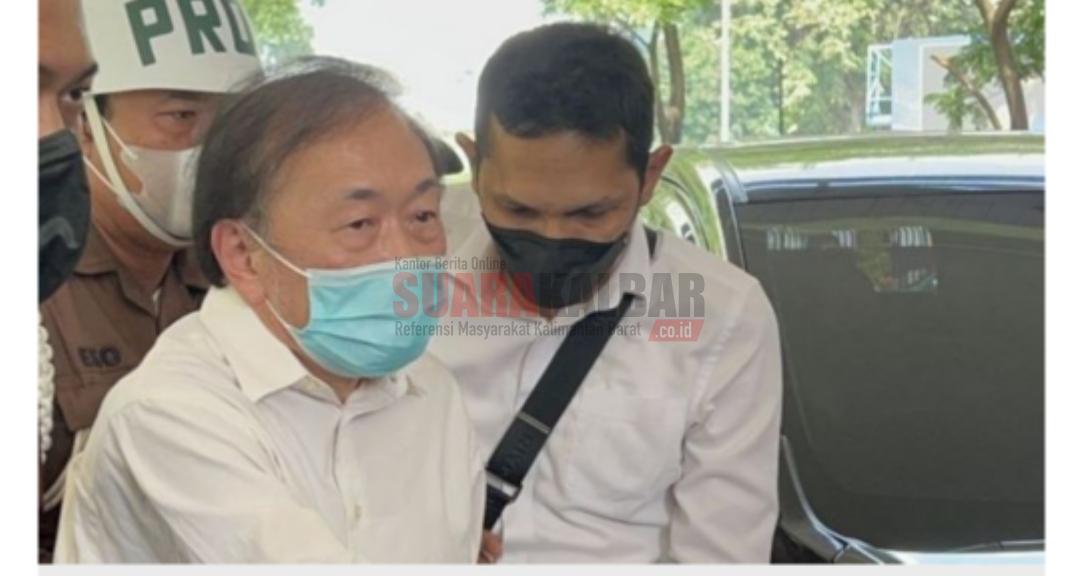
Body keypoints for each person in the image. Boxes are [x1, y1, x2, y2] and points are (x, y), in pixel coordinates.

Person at [54, 58, 483, 563]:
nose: (405, 254)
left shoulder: (432, 392)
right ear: (243, 253)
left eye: (423, 215)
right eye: (360, 223)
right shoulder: (170, 412)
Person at [430, 22, 783, 562]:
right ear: (475, 166)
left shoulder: (723, 316)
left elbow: (721, 555)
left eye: (590, 213)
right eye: (518, 209)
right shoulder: (408, 268)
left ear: (651, 176)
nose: (551, 238)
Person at [38, 0, 261, 561]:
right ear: (86, 126)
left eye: (231, 121)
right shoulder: (40, 283)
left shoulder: (240, 280)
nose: (214, 149)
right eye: (181, 116)